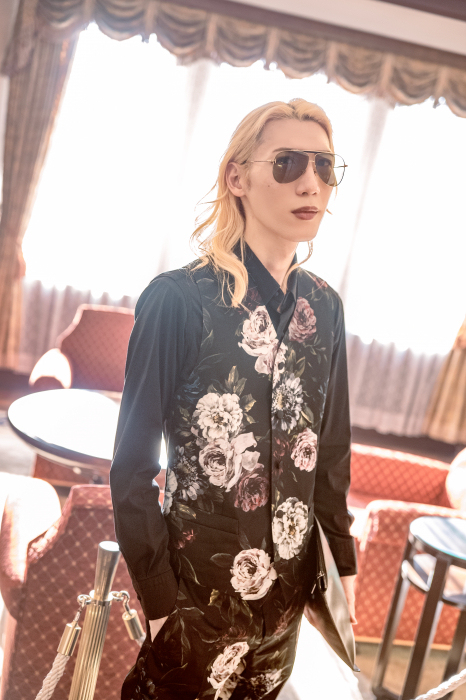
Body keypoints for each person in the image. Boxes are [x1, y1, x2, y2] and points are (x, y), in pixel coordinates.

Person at [110, 98, 357, 700]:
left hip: (285, 613)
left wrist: (341, 573)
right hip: (194, 604)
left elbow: (330, 455)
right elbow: (132, 467)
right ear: (236, 178)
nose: (311, 183)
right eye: (288, 163)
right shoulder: (179, 300)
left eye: (325, 166)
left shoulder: (325, 308)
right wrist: (162, 605)